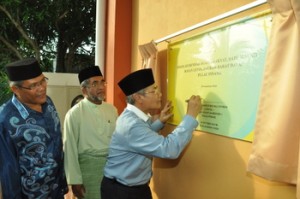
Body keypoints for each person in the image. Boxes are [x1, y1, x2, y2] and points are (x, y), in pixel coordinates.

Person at [101, 68, 202, 199]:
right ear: (138, 97)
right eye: (153, 91)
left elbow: (139, 141)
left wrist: (159, 122)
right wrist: (190, 116)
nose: (159, 94)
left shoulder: (133, 117)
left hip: (134, 188)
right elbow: (169, 149)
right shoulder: (132, 124)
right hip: (122, 192)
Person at [0, 58, 68, 198]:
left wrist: (63, 184)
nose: (42, 88)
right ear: (15, 89)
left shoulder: (48, 103)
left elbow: (57, 145)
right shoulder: (5, 120)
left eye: (43, 81)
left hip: (56, 191)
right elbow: (8, 170)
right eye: (33, 86)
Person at [63, 66, 118, 199]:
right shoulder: (74, 114)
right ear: (84, 89)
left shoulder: (112, 110)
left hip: (113, 170)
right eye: (95, 83)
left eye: (102, 82)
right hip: (88, 173)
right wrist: (74, 181)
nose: (101, 87)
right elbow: (69, 149)